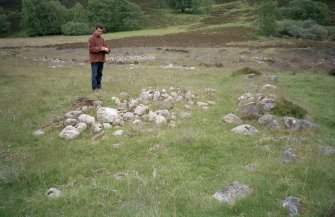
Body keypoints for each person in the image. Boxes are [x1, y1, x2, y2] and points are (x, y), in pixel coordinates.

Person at [88, 24, 110, 91]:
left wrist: (108, 50)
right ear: (96, 30)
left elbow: (106, 48)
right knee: (95, 74)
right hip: (94, 60)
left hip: (101, 59)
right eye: (99, 31)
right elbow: (91, 49)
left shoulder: (102, 39)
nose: (100, 32)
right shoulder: (91, 39)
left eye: (101, 31)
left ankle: (99, 87)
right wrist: (101, 48)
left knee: (100, 74)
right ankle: (94, 89)